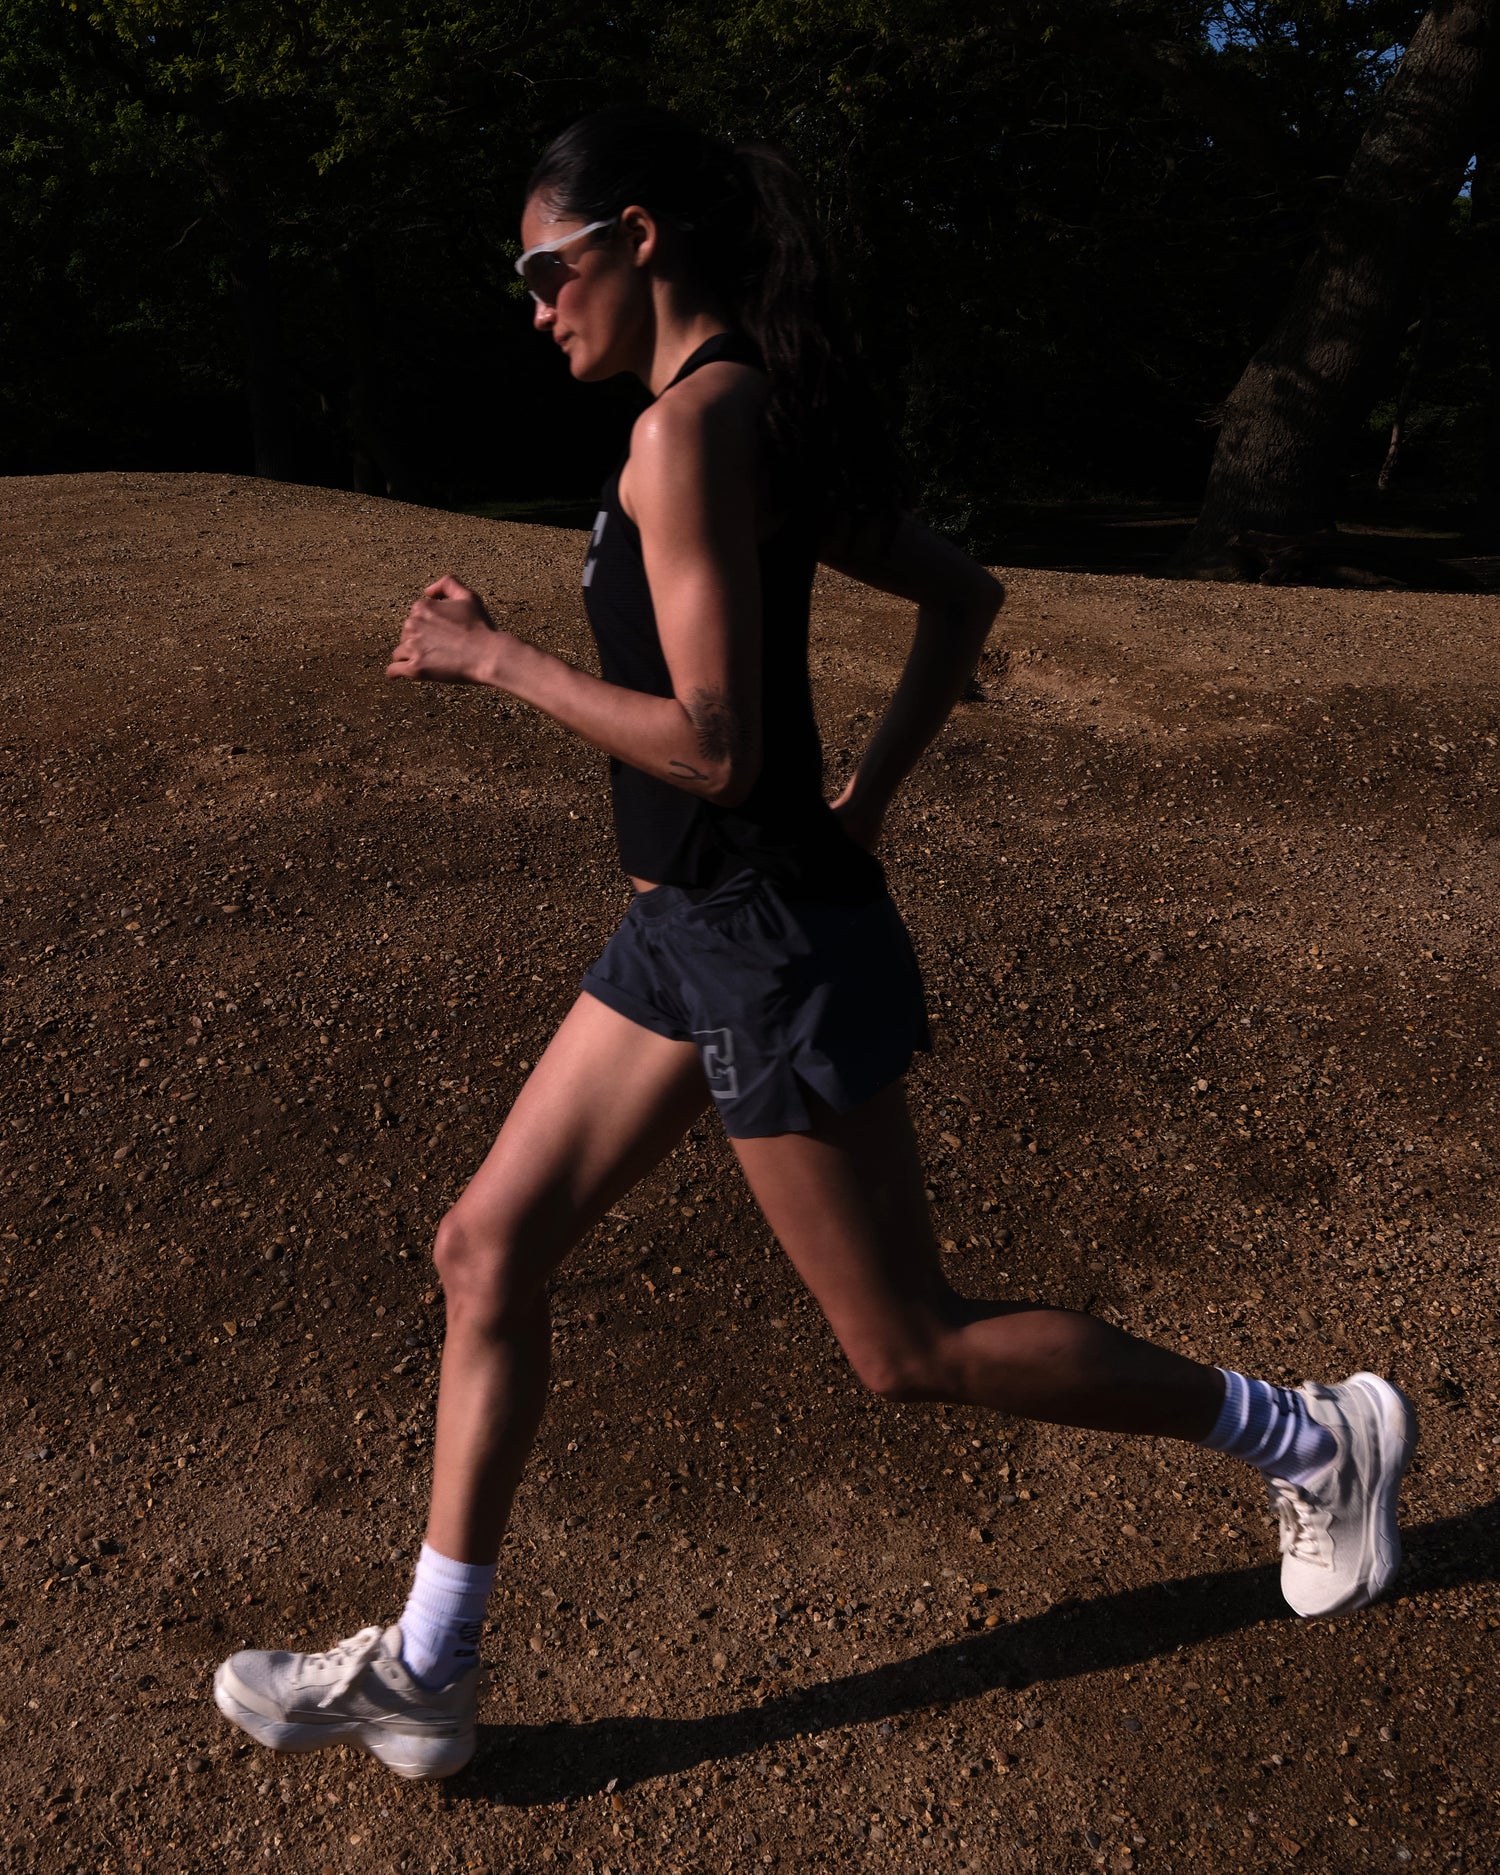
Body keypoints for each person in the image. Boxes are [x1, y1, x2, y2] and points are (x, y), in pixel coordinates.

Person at [212, 105, 1416, 1782]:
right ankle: (430, 1665)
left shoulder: (689, 432)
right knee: (485, 1251)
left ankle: (1315, 1439)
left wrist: (500, 664)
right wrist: (864, 801)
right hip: (685, 934)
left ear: (636, 240)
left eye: (546, 271)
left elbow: (715, 749)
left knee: (904, 1345)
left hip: (765, 941)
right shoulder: (745, 412)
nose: (536, 307)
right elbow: (963, 596)